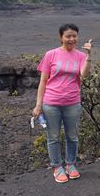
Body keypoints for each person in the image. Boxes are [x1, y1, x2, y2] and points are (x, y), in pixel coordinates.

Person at [32, 23, 92, 183]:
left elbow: (84, 74)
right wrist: (38, 105)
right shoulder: (51, 55)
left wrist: (88, 56)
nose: (72, 39)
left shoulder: (80, 55)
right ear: (61, 38)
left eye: (74, 36)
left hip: (72, 103)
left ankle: (70, 164)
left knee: (72, 136)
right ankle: (57, 166)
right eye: (68, 36)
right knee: (53, 136)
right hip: (51, 103)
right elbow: (43, 81)